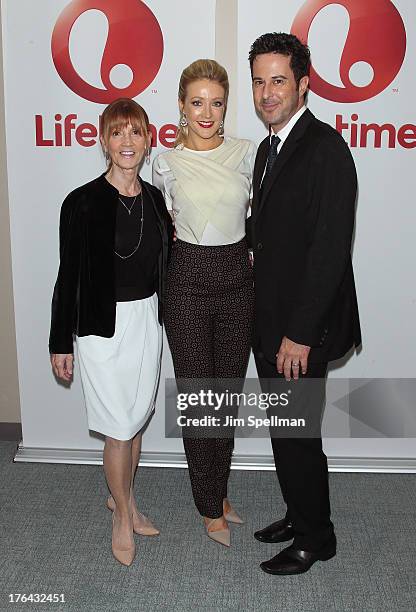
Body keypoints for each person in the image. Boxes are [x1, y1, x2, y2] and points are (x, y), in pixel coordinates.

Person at [247, 33, 361, 575]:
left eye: (278, 81)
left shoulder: (325, 149)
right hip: (270, 322)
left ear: (303, 85)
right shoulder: (270, 147)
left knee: (298, 433)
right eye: (259, 81)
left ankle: (316, 538)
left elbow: (330, 251)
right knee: (285, 431)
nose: (267, 92)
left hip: (299, 330)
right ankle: (299, 512)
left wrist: (300, 333)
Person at [49, 98, 173, 566]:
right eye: (117, 133)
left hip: (146, 320)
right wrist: (60, 340)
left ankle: (126, 499)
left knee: (136, 418)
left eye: (135, 132)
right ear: (103, 140)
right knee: (120, 427)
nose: (127, 142)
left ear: (147, 140)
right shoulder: (81, 202)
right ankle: (122, 516)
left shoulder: (157, 200)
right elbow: (67, 277)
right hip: (100, 327)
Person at [153, 59, 255, 547]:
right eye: (197, 102)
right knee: (199, 402)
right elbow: (151, 226)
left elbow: (264, 220)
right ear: (181, 105)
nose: (207, 112)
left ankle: (219, 490)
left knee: (225, 398)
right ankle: (209, 505)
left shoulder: (246, 153)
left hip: (238, 280)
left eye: (216, 103)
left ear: (225, 105)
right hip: (187, 283)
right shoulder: (163, 163)